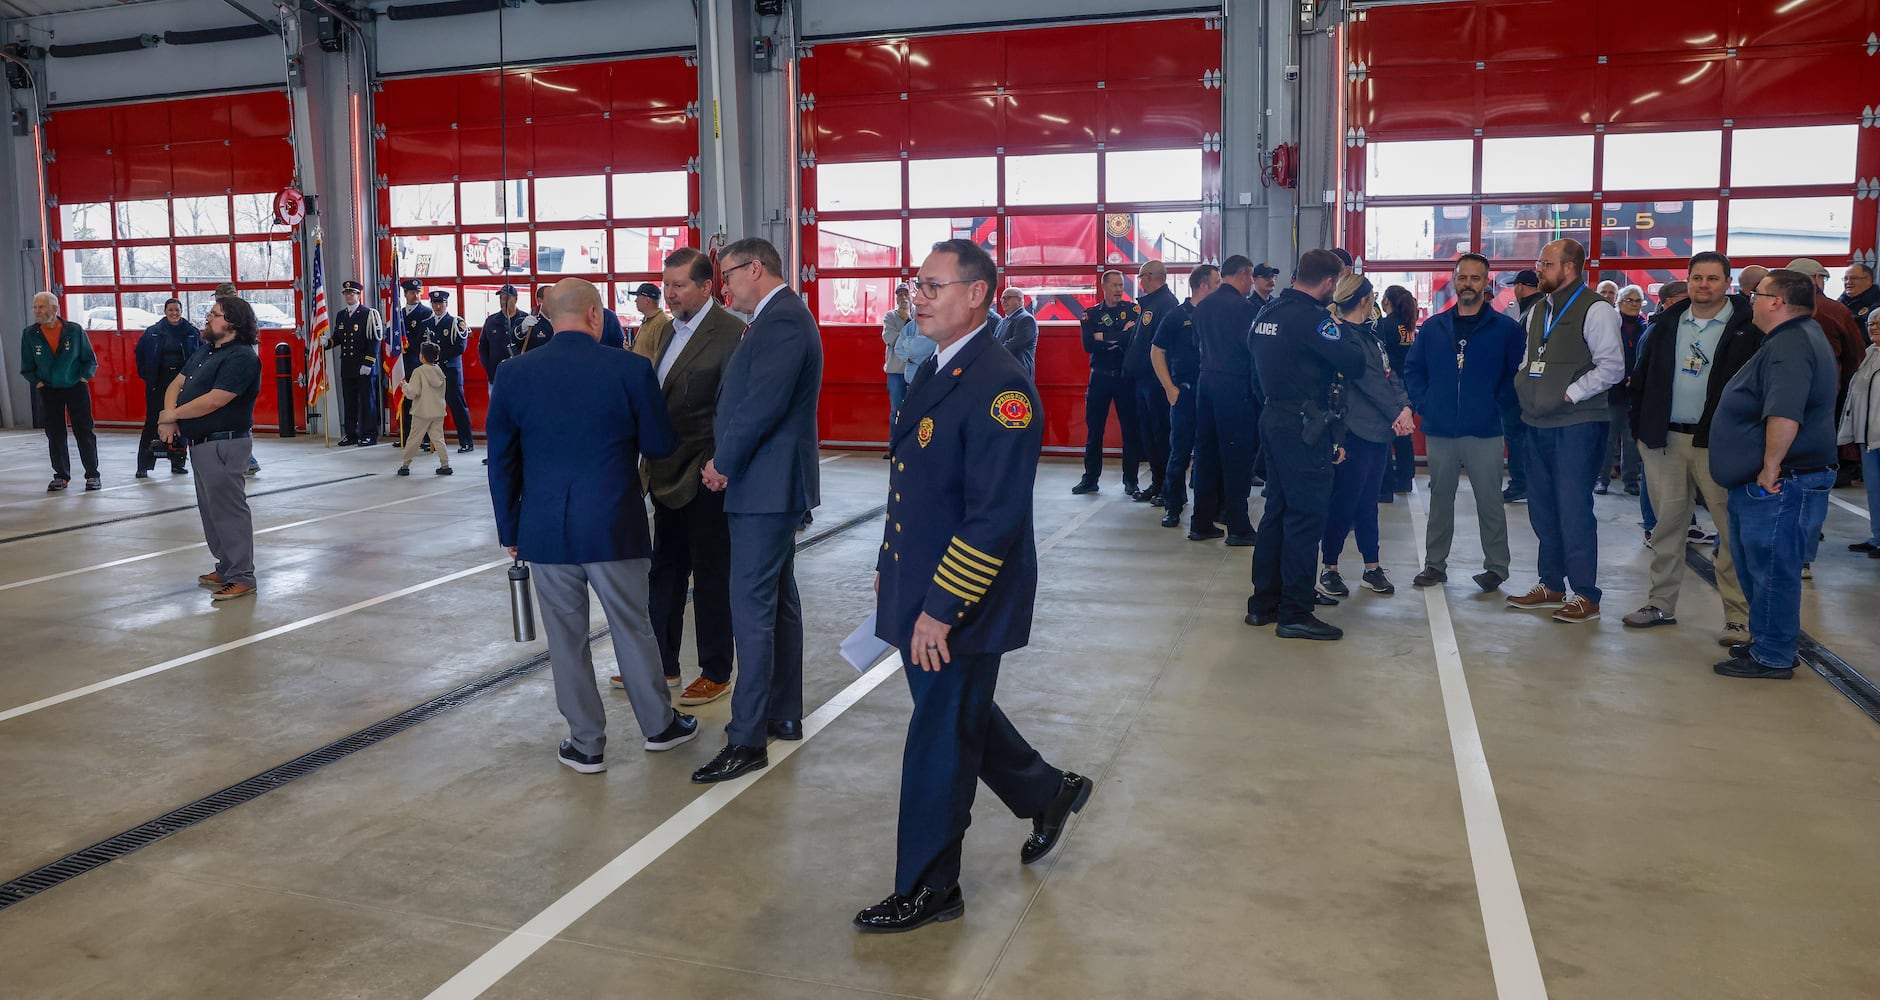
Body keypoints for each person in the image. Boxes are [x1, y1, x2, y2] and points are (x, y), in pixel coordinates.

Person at [856, 237, 1089, 935]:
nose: (918, 297)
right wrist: (890, 563)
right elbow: (915, 483)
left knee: (939, 739)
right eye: (917, 285)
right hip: (920, 585)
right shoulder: (939, 365)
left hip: (960, 602)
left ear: (978, 294)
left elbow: (993, 517)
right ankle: (1047, 792)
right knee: (958, 714)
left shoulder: (1000, 387)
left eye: (934, 286)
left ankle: (931, 887)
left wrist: (941, 609)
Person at [486, 277, 695, 771]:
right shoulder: (630, 368)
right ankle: (659, 727)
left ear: (547, 315)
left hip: (545, 529)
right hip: (613, 525)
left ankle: (586, 745)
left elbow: (501, 463)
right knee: (632, 627)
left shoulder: (514, 373)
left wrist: (511, 531)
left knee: (566, 640)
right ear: (596, 315)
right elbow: (660, 445)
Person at [691, 237, 823, 784]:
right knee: (778, 602)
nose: (723, 287)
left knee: (750, 609)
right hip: (769, 485)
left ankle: (746, 739)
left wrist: (723, 462)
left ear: (756, 268)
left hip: (765, 487)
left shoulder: (783, 320)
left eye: (727, 275)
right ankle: (782, 712)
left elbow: (762, 404)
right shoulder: (774, 318)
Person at [619, 246, 745, 705]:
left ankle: (716, 670)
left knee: (711, 577)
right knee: (665, 574)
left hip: (707, 475)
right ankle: (662, 663)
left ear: (707, 287)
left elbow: (735, 409)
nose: (668, 294)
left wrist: (720, 462)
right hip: (664, 472)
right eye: (665, 285)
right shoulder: (666, 331)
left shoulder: (730, 334)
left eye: (678, 286)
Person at [1708, 269, 1839, 680]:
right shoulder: (1796, 337)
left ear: (1777, 302)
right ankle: (1769, 643)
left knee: (1771, 570)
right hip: (1780, 477)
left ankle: (1774, 655)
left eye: (1757, 294)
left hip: (1782, 480)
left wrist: (1769, 467)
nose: (1751, 300)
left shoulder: (1790, 344)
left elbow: (1785, 412)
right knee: (1762, 568)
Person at [1625, 252, 1760, 642]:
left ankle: (1738, 617)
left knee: (1729, 531)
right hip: (1664, 441)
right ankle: (1660, 604)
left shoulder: (1747, 327)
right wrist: (1640, 429)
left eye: (1713, 278)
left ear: (1728, 283)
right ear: (1687, 280)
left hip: (1719, 443)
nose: (1704, 285)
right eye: (1697, 277)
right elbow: (1642, 377)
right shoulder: (1667, 323)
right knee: (1667, 527)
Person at [1245, 249, 1368, 640]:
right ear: (1330, 282)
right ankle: (1295, 611)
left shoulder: (1266, 312)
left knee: (1276, 512)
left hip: (1273, 417)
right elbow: (1354, 363)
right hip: (1304, 427)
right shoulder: (1316, 321)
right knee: (1305, 517)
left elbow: (1253, 372)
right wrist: (1346, 326)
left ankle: (1264, 602)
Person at [1505, 239, 1625, 624]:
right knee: (1542, 507)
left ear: (1569, 267)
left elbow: (1612, 367)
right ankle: (1551, 584)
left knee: (1573, 509)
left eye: (1546, 263)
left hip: (1577, 424)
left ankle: (1585, 594)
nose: (1538, 268)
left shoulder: (1597, 309)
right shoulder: (1539, 309)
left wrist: (1570, 394)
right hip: (1536, 421)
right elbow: (1529, 360)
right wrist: (1526, 388)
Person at [1403, 254, 1526, 592]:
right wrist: (1426, 403)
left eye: (1475, 278)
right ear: (1454, 281)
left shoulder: (1506, 330)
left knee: (1490, 500)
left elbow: (1516, 375)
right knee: (1440, 499)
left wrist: (1496, 406)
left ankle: (1496, 568)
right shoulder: (1433, 328)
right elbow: (1414, 369)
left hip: (1485, 429)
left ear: (1486, 283)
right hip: (1440, 428)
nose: (1468, 284)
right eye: (1462, 277)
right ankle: (1434, 564)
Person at [159, 294, 262, 602]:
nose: (208, 318)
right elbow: (176, 384)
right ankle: (226, 566)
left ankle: (242, 575)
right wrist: (169, 417)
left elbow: (216, 400)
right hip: (201, 444)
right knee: (211, 511)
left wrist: (172, 415)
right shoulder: (206, 351)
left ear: (233, 323)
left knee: (229, 511)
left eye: (215, 314)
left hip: (224, 443)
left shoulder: (242, 357)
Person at [1318, 274, 1414, 599]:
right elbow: (1370, 382)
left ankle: (1372, 566)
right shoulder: (1341, 338)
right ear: (1364, 300)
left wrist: (1405, 408)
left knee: (1368, 503)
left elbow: (1390, 375)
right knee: (1343, 502)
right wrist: (1398, 413)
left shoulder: (1373, 336)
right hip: (1352, 433)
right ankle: (1329, 567)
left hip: (1378, 433)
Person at [1189, 255, 1262, 543]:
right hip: (1234, 385)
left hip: (1205, 382)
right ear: (1243, 274)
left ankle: (1201, 522)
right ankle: (1238, 526)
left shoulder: (1203, 306)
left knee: (1206, 454)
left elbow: (1197, 343)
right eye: (1251, 277)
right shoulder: (1245, 308)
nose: (1252, 283)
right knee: (1237, 457)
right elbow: (1253, 350)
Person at [1152, 265, 1220, 528]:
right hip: (1185, 392)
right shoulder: (1176, 316)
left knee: (1209, 454)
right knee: (1180, 452)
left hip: (1210, 392)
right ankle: (1173, 506)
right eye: (1216, 283)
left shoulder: (1215, 315)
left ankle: (1210, 509)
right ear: (1203, 286)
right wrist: (1169, 388)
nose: (1220, 287)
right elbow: (1156, 351)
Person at [21, 292, 101, 492]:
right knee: (55, 433)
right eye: (35, 307)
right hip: (49, 389)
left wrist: (84, 377)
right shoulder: (29, 334)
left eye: (41, 307)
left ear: (54, 308)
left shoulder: (74, 330)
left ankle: (92, 474)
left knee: (84, 430)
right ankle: (61, 475)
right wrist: (38, 383)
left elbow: (90, 360)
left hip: (76, 387)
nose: (36, 311)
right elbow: (27, 366)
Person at [1072, 270, 1143, 496]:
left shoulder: (1133, 310)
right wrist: (1120, 335)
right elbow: (1088, 345)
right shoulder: (1091, 314)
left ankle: (1131, 480)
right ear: (1104, 287)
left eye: (1121, 285)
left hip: (1125, 378)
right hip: (1100, 377)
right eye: (1114, 285)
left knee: (1130, 430)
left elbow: (1133, 339)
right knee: (1095, 430)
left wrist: (1103, 336)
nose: (1119, 289)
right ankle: (1090, 479)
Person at [1124, 261, 1179, 506]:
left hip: (1157, 381)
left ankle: (1169, 488)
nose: (1139, 283)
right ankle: (1157, 483)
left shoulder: (1166, 304)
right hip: (1143, 380)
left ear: (1148, 277)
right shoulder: (1150, 304)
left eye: (1140, 278)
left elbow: (1165, 347)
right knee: (1149, 436)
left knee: (1161, 435)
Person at [135, 298, 199, 476]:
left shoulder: (192, 332)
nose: (174, 313)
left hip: (184, 383)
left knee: (181, 422)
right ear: (165, 311)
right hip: (158, 383)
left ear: (181, 311)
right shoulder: (153, 332)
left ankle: (178, 463)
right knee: (152, 423)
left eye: (177, 310)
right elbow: (139, 354)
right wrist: (147, 375)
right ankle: (143, 466)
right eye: (171, 310)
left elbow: (200, 355)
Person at [1596, 285, 1646, 495]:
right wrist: (1620, 377)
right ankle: (1602, 480)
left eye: (1637, 300)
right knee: (1608, 440)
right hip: (1612, 392)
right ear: (1619, 302)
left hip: (1635, 395)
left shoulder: (1645, 327)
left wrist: (1637, 378)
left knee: (1631, 441)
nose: (1633, 304)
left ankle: (1631, 481)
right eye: (1629, 300)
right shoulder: (1611, 325)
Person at [1500, 268, 1544, 503]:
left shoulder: (1533, 310)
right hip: (1533, 385)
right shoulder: (1542, 308)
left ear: (1520, 287)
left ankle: (1520, 483)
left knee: (1516, 435)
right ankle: (1529, 483)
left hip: (1521, 386)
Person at [1839, 310, 1880, 557]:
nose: (1873, 327)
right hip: (1869, 438)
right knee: (1874, 491)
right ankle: (1877, 537)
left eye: (1879, 323)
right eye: (1870, 323)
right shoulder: (1870, 354)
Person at [327, 280, 382, 447]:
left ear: (359, 295)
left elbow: (375, 340)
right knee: (349, 402)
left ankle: (369, 434)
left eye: (352, 293)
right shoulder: (341, 315)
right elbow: (338, 337)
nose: (349, 296)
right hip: (348, 365)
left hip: (364, 365)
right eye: (346, 293)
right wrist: (327, 343)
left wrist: (369, 362)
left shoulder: (369, 314)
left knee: (367, 401)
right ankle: (351, 434)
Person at [1377, 285, 1420, 499]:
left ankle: (1386, 483)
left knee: (1387, 433)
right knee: (1404, 434)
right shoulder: (1409, 325)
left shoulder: (1384, 326)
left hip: (1391, 384)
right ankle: (1405, 478)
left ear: (1386, 301)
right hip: (1409, 384)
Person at [422, 290, 475, 455]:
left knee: (457, 407)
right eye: (435, 303)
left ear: (446, 304)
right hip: (431, 371)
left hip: (450, 371)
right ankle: (431, 441)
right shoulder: (426, 323)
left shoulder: (455, 322)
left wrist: (437, 357)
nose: (438, 306)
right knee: (431, 407)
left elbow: (460, 347)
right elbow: (420, 344)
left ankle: (466, 442)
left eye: (441, 303)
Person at [397, 343, 452, 477]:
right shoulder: (439, 371)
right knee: (438, 438)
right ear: (436, 357)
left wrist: (404, 386)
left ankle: (405, 465)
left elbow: (412, 393)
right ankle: (445, 465)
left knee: (414, 439)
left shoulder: (418, 372)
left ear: (421, 356)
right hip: (438, 410)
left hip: (422, 411)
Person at [398, 278, 433, 448]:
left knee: (421, 401)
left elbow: (423, 339)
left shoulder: (425, 313)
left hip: (418, 363)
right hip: (403, 364)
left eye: (418, 292)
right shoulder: (399, 314)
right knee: (406, 400)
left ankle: (425, 438)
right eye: (412, 293)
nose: (416, 295)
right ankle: (406, 435)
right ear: (405, 294)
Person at [478, 283, 527, 388]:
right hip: (496, 377)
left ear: (516, 299)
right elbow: (483, 347)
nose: (503, 302)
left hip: (520, 377)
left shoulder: (525, 320)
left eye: (507, 298)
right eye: (501, 298)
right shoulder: (491, 321)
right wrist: (488, 367)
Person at [883, 284, 913, 430]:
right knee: (896, 411)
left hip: (915, 371)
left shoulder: (920, 314)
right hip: (895, 372)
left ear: (911, 296)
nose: (903, 298)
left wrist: (908, 319)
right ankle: (895, 442)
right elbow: (890, 338)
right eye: (900, 295)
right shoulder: (890, 316)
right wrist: (911, 342)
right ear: (896, 299)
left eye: (906, 294)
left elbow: (923, 337)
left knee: (916, 408)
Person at [993, 288, 1038, 378]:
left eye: (1008, 298)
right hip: (1004, 372)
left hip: (1018, 373)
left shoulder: (1026, 319)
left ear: (1020, 300)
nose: (1004, 301)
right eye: (1002, 298)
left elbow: (1013, 345)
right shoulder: (1003, 321)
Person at [628, 281, 669, 354]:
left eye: (638, 297)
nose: (635, 300)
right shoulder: (647, 319)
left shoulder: (661, 322)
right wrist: (631, 349)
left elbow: (660, 354)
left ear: (647, 300)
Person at [1843, 263, 1880, 328]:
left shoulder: (1877, 304)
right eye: (1846, 279)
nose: (1848, 282)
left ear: (1868, 280)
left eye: (1854, 278)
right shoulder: (1841, 301)